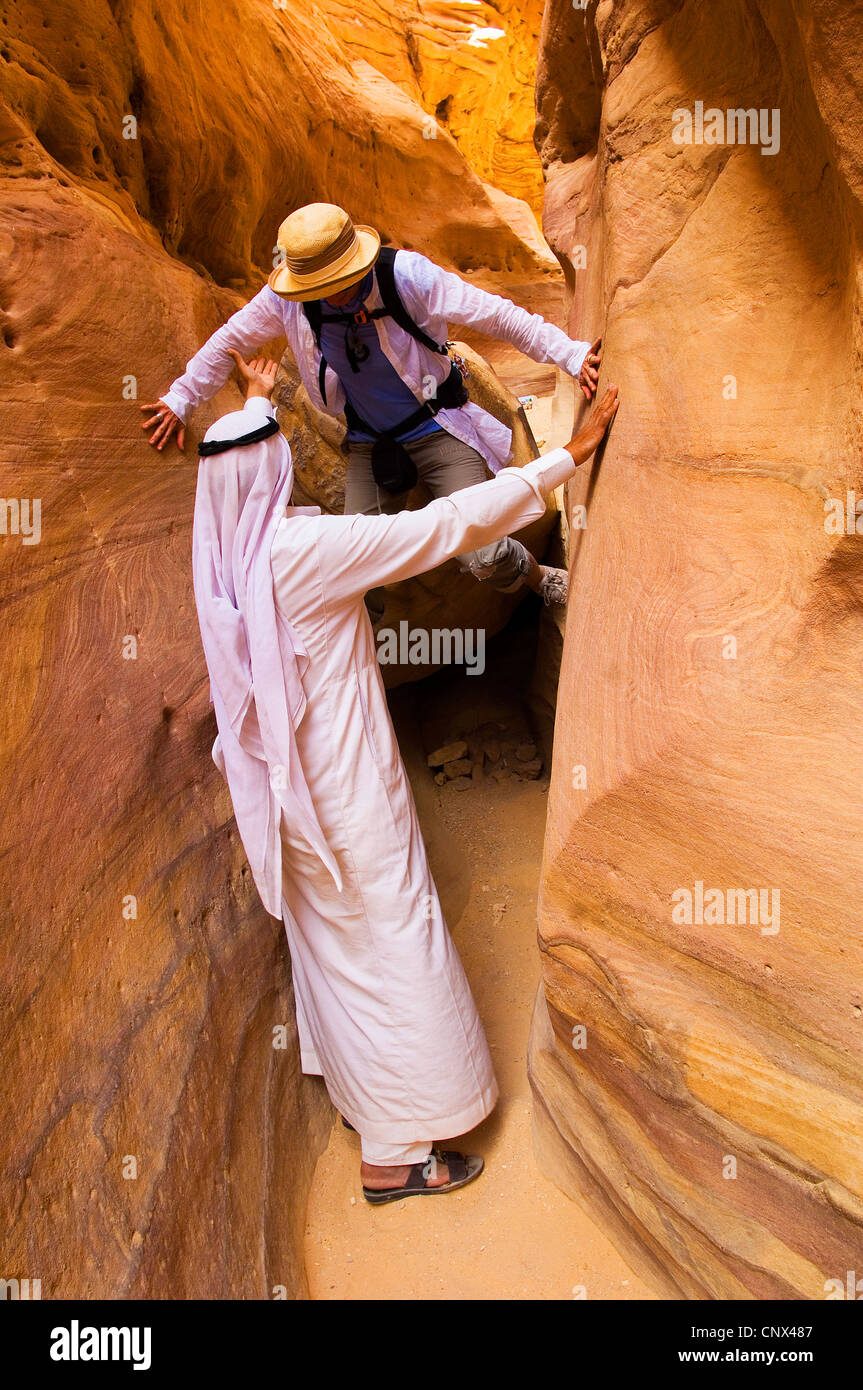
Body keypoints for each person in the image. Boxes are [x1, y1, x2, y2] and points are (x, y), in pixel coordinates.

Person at [191, 347, 619, 1202]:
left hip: (284, 808)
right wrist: (561, 462)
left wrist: (257, 398)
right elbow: (435, 529)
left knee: (337, 959)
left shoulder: (223, 567)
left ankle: (366, 1106)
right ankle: (398, 1153)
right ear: (269, 475)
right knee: (396, 946)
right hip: (346, 802)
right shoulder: (297, 552)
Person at [150, 203, 603, 609]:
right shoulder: (288, 301)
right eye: (321, 286)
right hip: (369, 440)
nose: (335, 294)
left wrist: (571, 354)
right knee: (351, 568)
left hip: (437, 423)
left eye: (342, 281)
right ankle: (367, 671)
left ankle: (537, 578)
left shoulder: (407, 276)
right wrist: (180, 399)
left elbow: (497, 315)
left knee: (479, 551)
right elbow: (228, 341)